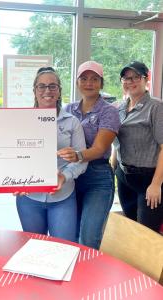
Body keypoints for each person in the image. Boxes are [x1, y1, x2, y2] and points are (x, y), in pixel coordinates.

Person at [15, 67, 87, 242]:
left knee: (64, 248)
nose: (47, 90)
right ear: (34, 90)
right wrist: (15, 179)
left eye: (52, 86)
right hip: (29, 198)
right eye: (42, 86)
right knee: (34, 248)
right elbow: (14, 157)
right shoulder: (20, 120)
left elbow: (81, 160)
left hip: (63, 197)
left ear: (59, 91)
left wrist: (64, 176)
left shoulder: (72, 122)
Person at [58, 61, 120, 249]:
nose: (89, 83)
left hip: (97, 178)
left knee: (88, 237)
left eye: (94, 79)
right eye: (84, 78)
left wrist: (76, 155)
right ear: (77, 82)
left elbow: (99, 149)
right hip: (71, 176)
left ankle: (88, 275)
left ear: (101, 83)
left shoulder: (109, 111)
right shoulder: (68, 109)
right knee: (70, 234)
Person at [112, 61, 163, 232]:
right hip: (124, 177)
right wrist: (113, 169)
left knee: (147, 234)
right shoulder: (120, 108)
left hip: (148, 180)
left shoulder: (156, 107)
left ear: (145, 79)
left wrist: (156, 184)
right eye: (126, 78)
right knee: (132, 229)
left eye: (136, 77)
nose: (131, 82)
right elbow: (117, 143)